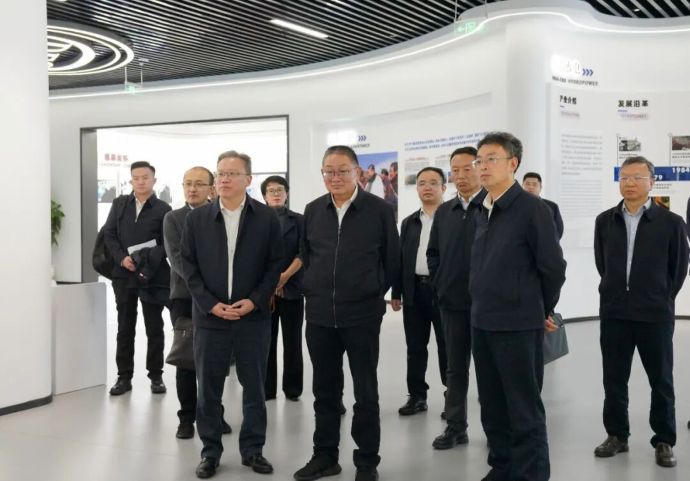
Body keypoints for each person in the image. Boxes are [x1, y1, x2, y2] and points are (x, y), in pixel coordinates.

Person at [294, 145, 400, 481]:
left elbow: (392, 259)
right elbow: (306, 255)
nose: (335, 177)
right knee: (324, 391)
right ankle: (325, 456)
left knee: (365, 392)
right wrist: (312, 287)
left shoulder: (379, 210)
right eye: (329, 171)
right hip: (320, 316)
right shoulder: (313, 210)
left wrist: (373, 290)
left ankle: (366, 462)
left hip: (362, 316)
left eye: (343, 170)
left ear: (358, 172)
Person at [181, 151, 283, 478]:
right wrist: (209, 304)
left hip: (252, 318)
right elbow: (188, 267)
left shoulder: (266, 218)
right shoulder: (197, 220)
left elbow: (274, 266)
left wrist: (255, 301)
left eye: (232, 174)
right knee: (209, 389)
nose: (224, 179)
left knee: (254, 388)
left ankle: (253, 450)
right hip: (210, 319)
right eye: (220, 173)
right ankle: (210, 452)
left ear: (248, 180)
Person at [470, 132, 566, 481]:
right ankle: (503, 468)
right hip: (482, 321)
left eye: (491, 159)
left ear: (513, 163)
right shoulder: (482, 208)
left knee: (523, 408)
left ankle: (531, 474)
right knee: (492, 406)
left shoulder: (532, 209)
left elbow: (553, 268)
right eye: (479, 160)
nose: (482, 166)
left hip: (518, 324)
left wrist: (541, 309)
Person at [593, 156, 688, 468]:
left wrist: (661, 297)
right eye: (624, 177)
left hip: (654, 315)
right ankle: (617, 435)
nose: (629, 183)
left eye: (636, 177)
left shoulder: (671, 223)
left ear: (651, 182)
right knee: (613, 378)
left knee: (661, 380)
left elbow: (678, 269)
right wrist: (616, 291)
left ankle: (664, 439)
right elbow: (602, 264)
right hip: (615, 313)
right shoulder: (605, 221)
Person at [163, 167, 232, 439]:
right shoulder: (173, 218)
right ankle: (186, 418)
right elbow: (177, 259)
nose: (192, 189)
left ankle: (214, 413)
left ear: (211, 188)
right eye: (188, 184)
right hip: (185, 298)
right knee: (186, 359)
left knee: (213, 360)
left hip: (218, 298)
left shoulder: (221, 216)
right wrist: (205, 287)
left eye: (199, 184)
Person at [427, 146, 486, 450]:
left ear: (480, 168)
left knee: (490, 370)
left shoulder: (491, 207)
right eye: (455, 170)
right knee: (455, 368)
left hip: (488, 305)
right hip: (452, 303)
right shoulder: (444, 212)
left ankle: (495, 431)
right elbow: (433, 253)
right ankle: (455, 427)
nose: (461, 175)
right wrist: (441, 283)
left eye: (467, 168)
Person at [103, 160, 171, 396]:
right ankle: (124, 377)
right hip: (123, 274)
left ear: (154, 180)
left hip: (152, 275)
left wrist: (146, 259)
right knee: (125, 326)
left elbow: (167, 244)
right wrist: (122, 258)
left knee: (154, 326)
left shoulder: (163, 208)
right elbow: (109, 234)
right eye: (136, 178)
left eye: (145, 177)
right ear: (131, 180)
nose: (140, 182)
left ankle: (156, 375)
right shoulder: (120, 204)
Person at [392, 167, 447, 418]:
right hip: (414, 291)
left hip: (444, 293)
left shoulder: (453, 218)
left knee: (448, 348)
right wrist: (397, 292)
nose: (427, 187)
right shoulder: (409, 222)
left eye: (433, 183)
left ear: (443, 187)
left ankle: (452, 397)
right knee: (415, 347)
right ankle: (417, 396)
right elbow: (400, 259)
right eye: (422, 183)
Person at [261, 175, 305, 402]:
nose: (276, 194)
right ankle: (267, 389)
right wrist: (271, 283)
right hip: (264, 292)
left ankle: (293, 388)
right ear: (264, 196)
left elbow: (304, 252)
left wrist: (284, 277)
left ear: (287, 193)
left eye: (280, 190)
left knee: (292, 341)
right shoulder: (256, 221)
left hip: (293, 287)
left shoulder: (299, 220)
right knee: (266, 342)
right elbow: (254, 257)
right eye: (271, 190)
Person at [522, 172, 564, 239]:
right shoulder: (515, 206)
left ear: (540, 187)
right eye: (527, 184)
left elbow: (558, 231)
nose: (530, 187)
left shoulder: (552, 206)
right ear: (522, 186)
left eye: (534, 184)